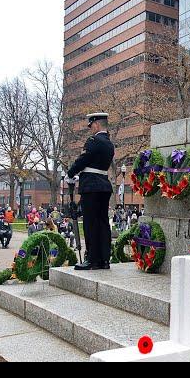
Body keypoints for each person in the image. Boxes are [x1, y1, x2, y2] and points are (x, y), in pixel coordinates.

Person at [66, 112, 115, 271]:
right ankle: (104, 259)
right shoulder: (109, 143)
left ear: (97, 124)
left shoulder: (94, 141)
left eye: (91, 125)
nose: (90, 129)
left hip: (91, 187)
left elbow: (83, 160)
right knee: (102, 223)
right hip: (104, 186)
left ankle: (92, 259)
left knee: (90, 223)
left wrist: (70, 173)